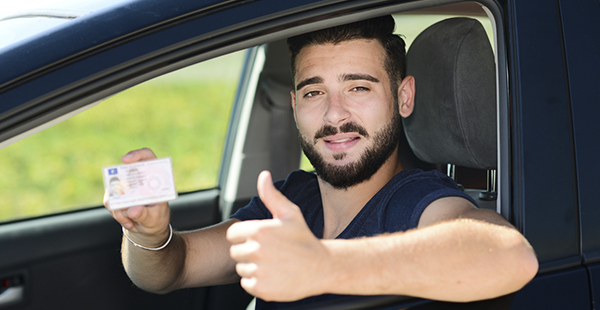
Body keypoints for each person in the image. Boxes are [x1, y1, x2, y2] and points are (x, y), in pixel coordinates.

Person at [105, 15, 538, 309]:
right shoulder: (292, 199)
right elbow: (171, 269)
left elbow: (508, 256)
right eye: (314, 93)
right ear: (295, 105)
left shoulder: (417, 201)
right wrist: (149, 232)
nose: (334, 115)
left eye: (359, 88)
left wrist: (322, 264)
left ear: (403, 97)